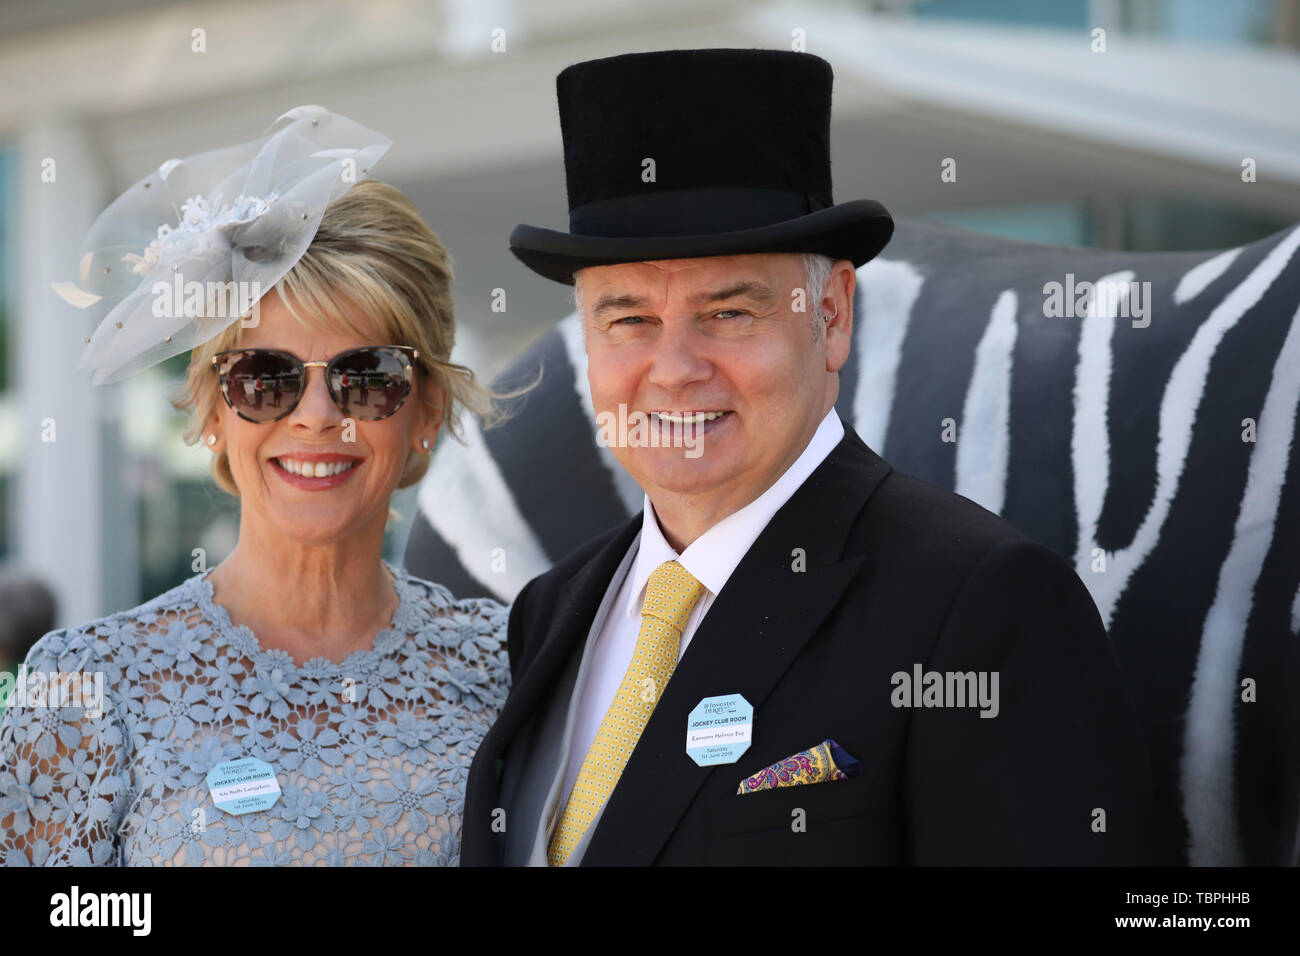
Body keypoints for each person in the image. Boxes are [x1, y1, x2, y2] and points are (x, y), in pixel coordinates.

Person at [461, 49, 1155, 866]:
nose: (675, 368)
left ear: (832, 315)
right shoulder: (549, 612)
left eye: (726, 312)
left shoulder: (980, 606)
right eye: (629, 320)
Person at [0, 106, 509, 866]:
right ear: (213, 409)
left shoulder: (506, 664)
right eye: (265, 379)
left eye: (366, 377)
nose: (315, 418)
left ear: (426, 407)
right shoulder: (83, 686)